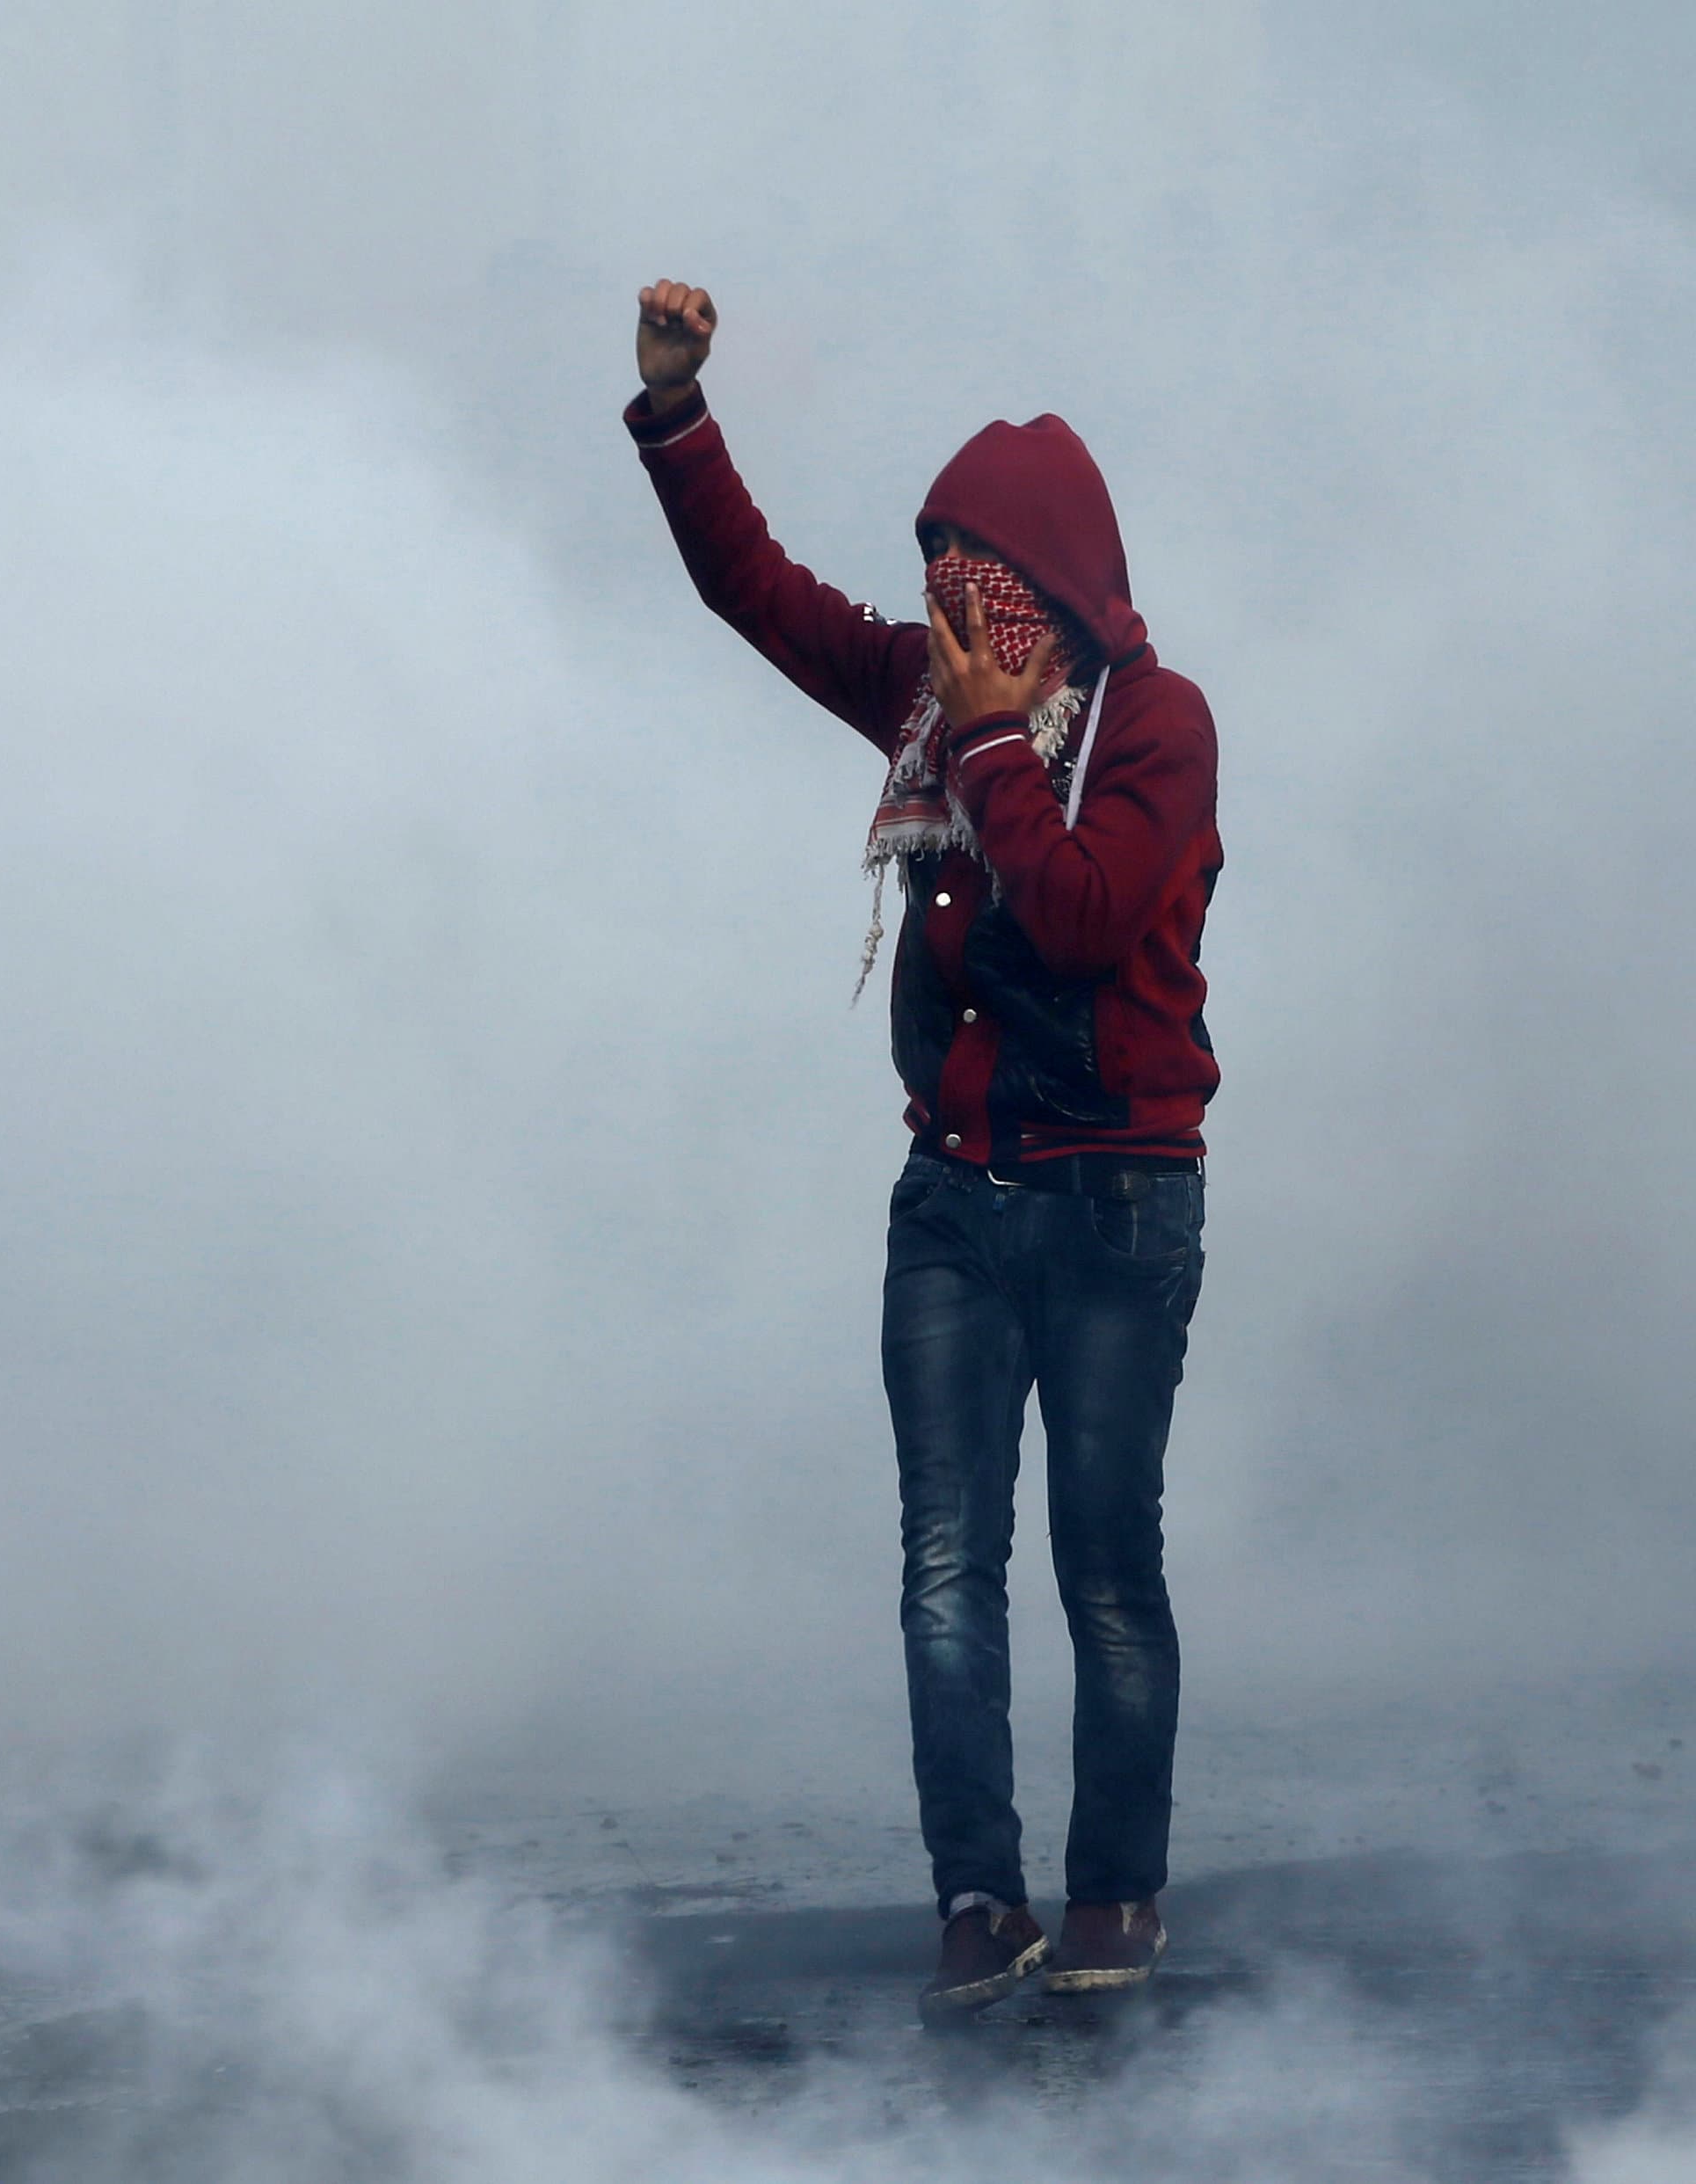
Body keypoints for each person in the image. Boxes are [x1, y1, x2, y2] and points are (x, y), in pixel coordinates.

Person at [626, 281, 1219, 2020]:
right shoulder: (923, 697)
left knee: (1105, 1569)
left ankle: (1116, 1891)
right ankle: (976, 1897)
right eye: (940, 578)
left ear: (1065, 593)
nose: (956, 618)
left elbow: (1082, 912)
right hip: (954, 1198)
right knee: (947, 1568)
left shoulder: (1154, 727)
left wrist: (987, 744)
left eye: (988, 584)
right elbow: (755, 590)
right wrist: (675, 413)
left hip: (1117, 1200)